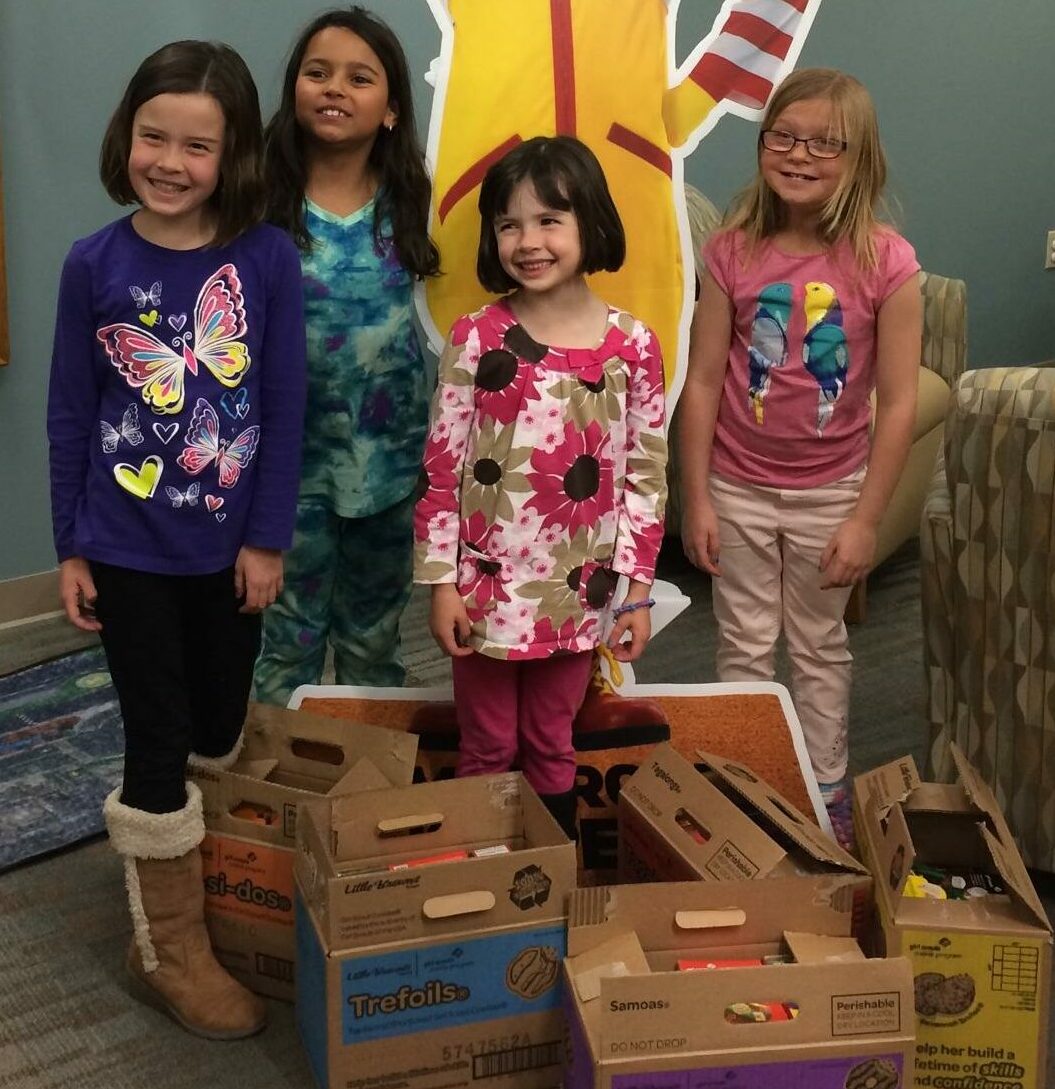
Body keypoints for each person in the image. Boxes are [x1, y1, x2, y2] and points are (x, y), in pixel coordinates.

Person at [47, 41, 306, 1038]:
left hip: (229, 548)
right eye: (154, 135)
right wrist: (73, 544)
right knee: (157, 738)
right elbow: (72, 414)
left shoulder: (265, 259)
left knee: (216, 725)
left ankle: (214, 901)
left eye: (196, 144)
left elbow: (281, 406)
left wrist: (267, 540)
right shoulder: (92, 263)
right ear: (127, 137)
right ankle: (170, 952)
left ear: (230, 152)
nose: (170, 159)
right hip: (124, 547)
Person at [678, 69, 922, 852]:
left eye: (824, 141)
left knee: (818, 647)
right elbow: (704, 379)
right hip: (736, 487)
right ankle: (742, 779)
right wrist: (698, 499)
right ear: (761, 146)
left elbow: (900, 405)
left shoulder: (886, 263)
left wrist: (865, 518)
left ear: (861, 159)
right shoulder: (729, 252)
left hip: (831, 492)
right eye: (782, 135)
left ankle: (823, 788)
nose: (799, 153)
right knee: (742, 642)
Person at [413, 136, 667, 839]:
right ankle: (478, 896)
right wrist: (441, 583)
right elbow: (441, 471)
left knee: (554, 745)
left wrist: (636, 591)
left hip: (578, 594)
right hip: (483, 591)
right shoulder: (475, 339)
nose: (527, 240)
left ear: (590, 223)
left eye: (548, 220)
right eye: (508, 224)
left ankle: (549, 887)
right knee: (488, 748)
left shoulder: (634, 346)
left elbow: (646, 476)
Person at [252, 7, 440, 706]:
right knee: (286, 639)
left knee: (373, 639)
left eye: (359, 78)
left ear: (390, 109)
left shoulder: (415, 201)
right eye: (317, 72)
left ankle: (369, 786)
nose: (334, 88)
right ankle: (273, 788)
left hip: (390, 469)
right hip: (286, 470)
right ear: (294, 89)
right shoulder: (258, 203)